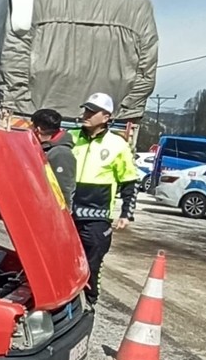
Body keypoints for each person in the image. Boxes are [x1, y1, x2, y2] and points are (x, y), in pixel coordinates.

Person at [70, 93, 138, 304]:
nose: (86, 114)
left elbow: (129, 180)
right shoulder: (69, 138)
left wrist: (127, 213)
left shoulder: (118, 145)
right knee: (62, 262)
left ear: (106, 116)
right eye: (86, 110)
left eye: (92, 111)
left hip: (96, 217)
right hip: (66, 213)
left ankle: (89, 302)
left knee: (92, 263)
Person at [31, 108, 76, 208]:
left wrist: (64, 213)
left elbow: (65, 188)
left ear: (37, 129)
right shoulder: (46, 148)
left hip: (51, 210)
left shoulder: (60, 153)